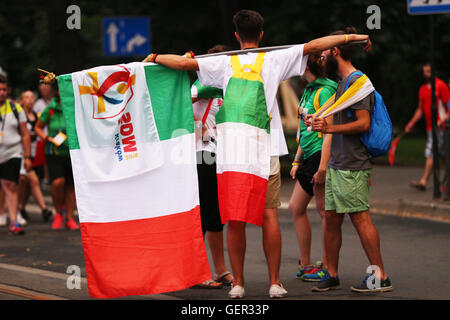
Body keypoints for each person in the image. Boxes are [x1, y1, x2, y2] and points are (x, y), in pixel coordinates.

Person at [142, 10, 371, 299]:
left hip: (232, 152)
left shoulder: (222, 63)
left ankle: (238, 282)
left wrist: (153, 58)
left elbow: (182, 64)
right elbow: (314, 46)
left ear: (237, 35)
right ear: (262, 35)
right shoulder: (275, 58)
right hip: (267, 150)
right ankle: (275, 282)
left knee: (235, 219)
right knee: (269, 216)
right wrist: (356, 36)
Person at [310, 27, 392, 293]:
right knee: (331, 218)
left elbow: (363, 124)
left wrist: (328, 128)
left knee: (360, 218)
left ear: (335, 51)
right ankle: (331, 273)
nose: (321, 57)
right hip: (337, 162)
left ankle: (381, 277)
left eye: (324, 52)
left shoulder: (358, 83)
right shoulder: (343, 84)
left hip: (353, 164)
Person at [288, 52, 337, 282]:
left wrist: (323, 166)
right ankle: (305, 264)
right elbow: (302, 128)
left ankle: (327, 266)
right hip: (307, 155)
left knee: (325, 213)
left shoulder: (325, 90)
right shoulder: (308, 89)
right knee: (296, 208)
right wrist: (297, 159)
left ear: (306, 66)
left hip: (320, 155)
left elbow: (328, 130)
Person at [190, 44, 234, 289]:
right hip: (202, 155)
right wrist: (201, 128)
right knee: (203, 215)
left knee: (216, 216)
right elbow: (181, 104)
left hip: (221, 155)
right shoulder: (203, 84)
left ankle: (220, 270)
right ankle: (196, 272)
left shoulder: (225, 87)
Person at [34, 83, 79, 231]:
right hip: (54, 152)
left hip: (72, 152)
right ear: (57, 92)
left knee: (71, 186)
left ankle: (70, 218)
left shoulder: (74, 107)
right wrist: (45, 137)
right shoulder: (51, 109)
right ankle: (59, 212)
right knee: (58, 182)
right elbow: (38, 127)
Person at [405, 62, 450, 191]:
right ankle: (446, 183)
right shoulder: (423, 89)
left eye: (428, 71)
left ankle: (424, 181)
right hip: (431, 127)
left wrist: (444, 119)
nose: (426, 74)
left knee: (431, 151)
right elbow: (420, 109)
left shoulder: (441, 86)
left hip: (441, 128)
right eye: (424, 71)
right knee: (444, 155)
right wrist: (411, 122)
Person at [0, 75, 33, 235]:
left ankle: (14, 221)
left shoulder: (15, 108)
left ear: (9, 91)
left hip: (12, 152)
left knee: (10, 185)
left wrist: (27, 156)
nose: (1, 93)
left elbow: (25, 133)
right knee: (6, 186)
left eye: (4, 89)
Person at [17, 90, 53, 222]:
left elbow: (41, 130)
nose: (30, 100)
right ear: (21, 100)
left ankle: (21, 208)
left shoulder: (37, 116)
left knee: (27, 183)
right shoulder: (18, 115)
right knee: (31, 180)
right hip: (20, 153)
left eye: (32, 97)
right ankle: (43, 209)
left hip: (34, 152)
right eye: (27, 97)